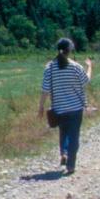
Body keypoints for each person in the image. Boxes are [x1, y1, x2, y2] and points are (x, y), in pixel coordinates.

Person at [38, 38, 93, 176]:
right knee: (74, 136)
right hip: (75, 108)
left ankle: (63, 153)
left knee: (63, 132)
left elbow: (45, 90)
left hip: (59, 108)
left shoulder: (49, 67)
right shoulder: (75, 66)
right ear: (70, 50)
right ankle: (70, 166)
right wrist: (89, 66)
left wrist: (41, 107)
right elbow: (86, 81)